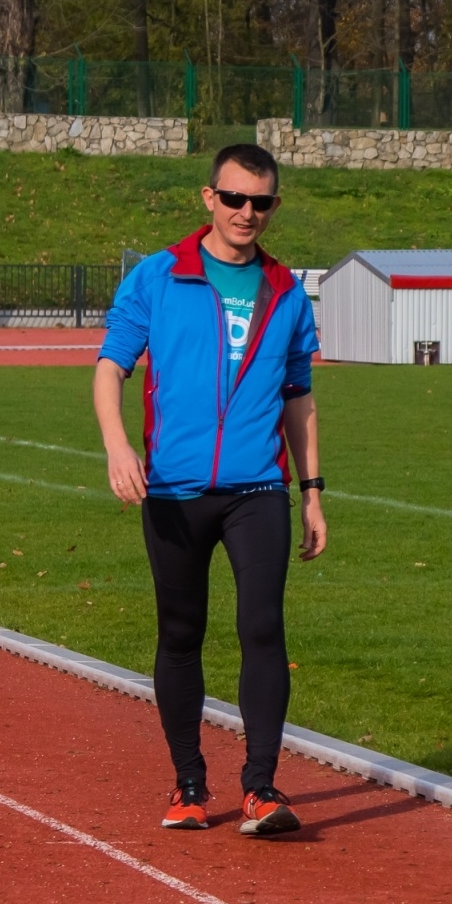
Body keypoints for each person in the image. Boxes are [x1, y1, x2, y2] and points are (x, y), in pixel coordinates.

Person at [93, 143, 325, 837]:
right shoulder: (157, 277)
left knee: (262, 626)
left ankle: (260, 789)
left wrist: (312, 492)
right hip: (173, 489)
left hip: (258, 489)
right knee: (181, 632)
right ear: (208, 199)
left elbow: (300, 400)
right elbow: (111, 369)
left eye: (261, 202)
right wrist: (116, 447)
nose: (246, 213)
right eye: (234, 199)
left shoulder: (286, 292)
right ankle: (189, 784)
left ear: (273, 206)